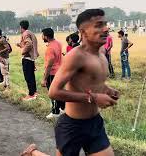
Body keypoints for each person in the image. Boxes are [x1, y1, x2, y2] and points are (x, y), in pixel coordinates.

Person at [22, 9, 120, 156]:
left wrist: (107, 90)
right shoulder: (75, 56)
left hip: (95, 123)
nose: (106, 28)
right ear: (84, 32)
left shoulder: (102, 53)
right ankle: (33, 153)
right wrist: (94, 98)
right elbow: (53, 91)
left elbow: (93, 82)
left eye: (105, 24)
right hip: (73, 125)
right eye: (99, 25)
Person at [40, 28, 64, 119]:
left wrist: (44, 79)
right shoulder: (58, 43)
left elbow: (49, 65)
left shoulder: (50, 48)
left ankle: (55, 112)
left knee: (52, 93)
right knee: (59, 91)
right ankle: (62, 108)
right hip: (60, 71)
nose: (42, 37)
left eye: (42, 35)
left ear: (46, 36)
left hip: (52, 73)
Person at [16, 20, 39, 101]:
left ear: (21, 27)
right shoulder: (31, 33)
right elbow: (28, 43)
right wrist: (20, 45)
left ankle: (31, 94)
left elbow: (29, 44)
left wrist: (23, 52)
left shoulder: (25, 33)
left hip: (27, 58)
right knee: (32, 76)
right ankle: (34, 93)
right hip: (31, 58)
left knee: (28, 77)